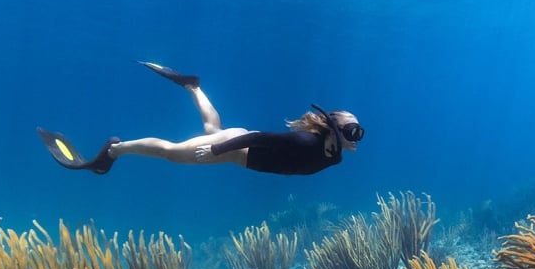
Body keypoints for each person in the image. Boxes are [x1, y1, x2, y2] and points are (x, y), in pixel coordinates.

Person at [37, 61, 364, 176]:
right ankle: (114, 150)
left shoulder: (335, 157)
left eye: (357, 131)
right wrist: (218, 152)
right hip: (234, 147)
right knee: (170, 152)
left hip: (233, 140)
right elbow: (258, 138)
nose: (357, 135)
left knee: (212, 128)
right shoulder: (305, 140)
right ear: (333, 130)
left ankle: (193, 86)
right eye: (353, 129)